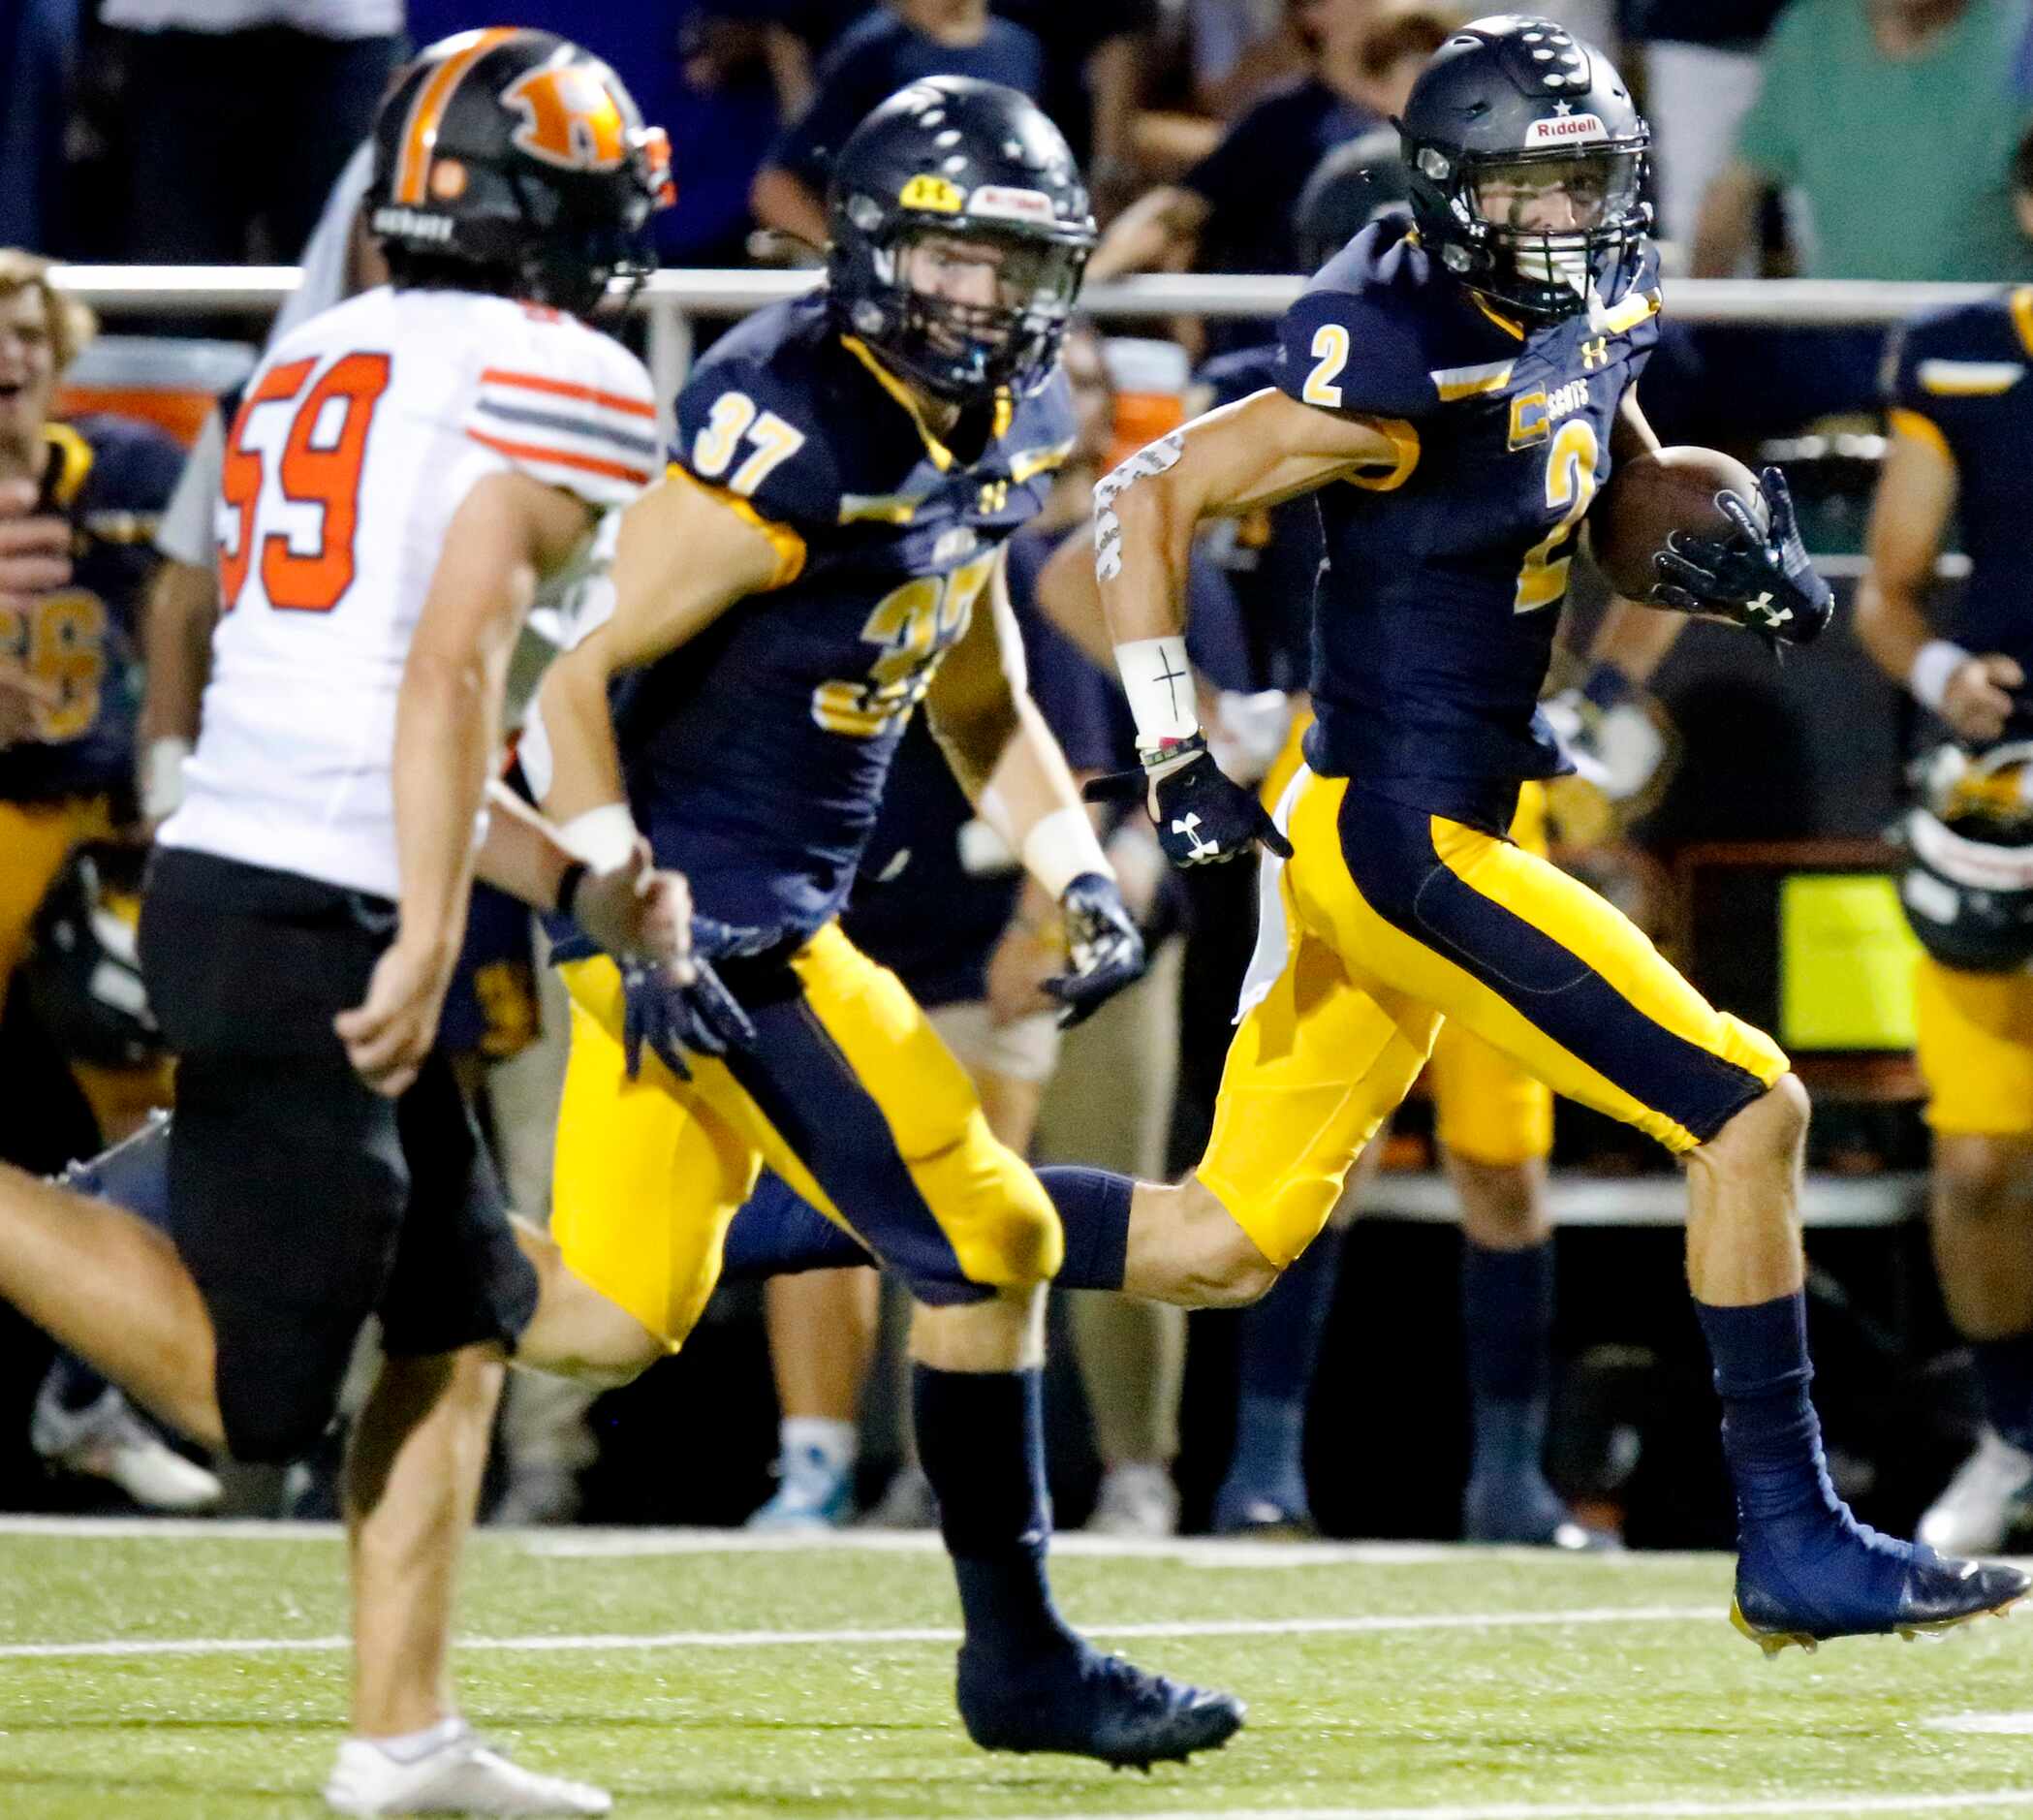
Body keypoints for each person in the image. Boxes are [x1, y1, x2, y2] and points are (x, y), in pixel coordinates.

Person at [1073, 15, 2026, 1649]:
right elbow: (1141, 501)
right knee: (1748, 1108)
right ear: (1447, 196)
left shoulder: (1584, 307)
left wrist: (1720, 546)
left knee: (1216, 1239)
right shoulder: (1389, 345)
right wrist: (1171, 752)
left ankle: (852, 1189)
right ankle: (1790, 1537)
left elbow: (1611, 476)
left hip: (1407, 816)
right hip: (1396, 835)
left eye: (1584, 181)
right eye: (1522, 190)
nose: (1560, 219)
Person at [0, 29, 715, 1815]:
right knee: (252, 1401)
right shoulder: (562, 373)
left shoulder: (320, 355)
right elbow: (457, 661)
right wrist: (419, 929)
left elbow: (382, 690)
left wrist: (574, 881)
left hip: (262, 862)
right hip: (322, 898)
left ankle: (400, 1739)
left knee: (460, 1306)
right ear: (544, 209)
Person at [517, 76, 1243, 1765]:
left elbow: (972, 684)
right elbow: (562, 670)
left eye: (1013, 264)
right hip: (694, 922)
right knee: (987, 1236)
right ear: (864, 248)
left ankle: (272, 1203)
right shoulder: (794, 416)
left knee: (606, 1317)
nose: (982, 299)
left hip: (784, 918)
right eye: (948, 258)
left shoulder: (991, 416)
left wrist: (1069, 864)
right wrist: (633, 891)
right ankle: (1022, 1659)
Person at [0, 251, 220, 1512]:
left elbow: (198, 626)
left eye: (30, 330)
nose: (13, 355)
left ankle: (94, 1385)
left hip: (98, 819)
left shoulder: (129, 478)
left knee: (169, 1093)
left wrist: (164, 795)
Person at [1855, 124, 2033, 1555]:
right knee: (1975, 1158)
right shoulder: (1959, 353)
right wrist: (1940, 681)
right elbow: (1891, 593)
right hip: (2001, 781)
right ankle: (2014, 1427)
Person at [750, 0, 1047, 249]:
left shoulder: (1020, 49)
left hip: (996, 260)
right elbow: (776, 187)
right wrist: (848, 262)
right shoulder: (872, 50)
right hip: (904, 264)